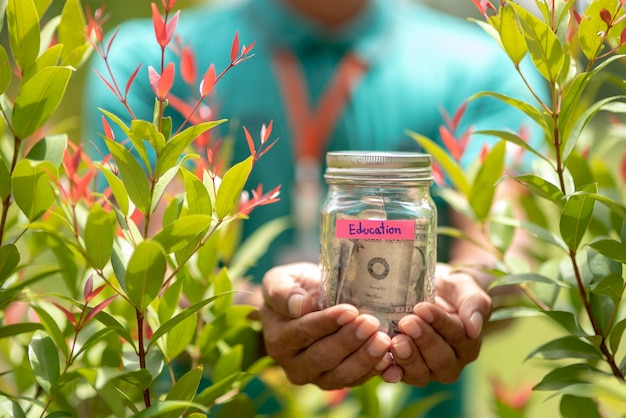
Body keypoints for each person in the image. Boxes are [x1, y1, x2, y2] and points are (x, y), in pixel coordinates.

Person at [82, 0, 545, 416]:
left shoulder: (485, 67)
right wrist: (254, 310)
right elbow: (147, 272)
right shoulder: (150, 65)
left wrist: (466, 294)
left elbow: (504, 247)